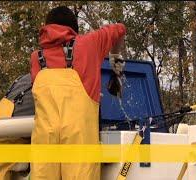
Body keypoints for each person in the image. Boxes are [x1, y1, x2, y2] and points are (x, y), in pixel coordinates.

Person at [30, 6, 126, 180]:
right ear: (74, 30)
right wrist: (115, 62)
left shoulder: (36, 58)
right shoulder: (89, 43)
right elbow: (120, 29)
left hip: (43, 148)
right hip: (79, 148)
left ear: (46, 29)